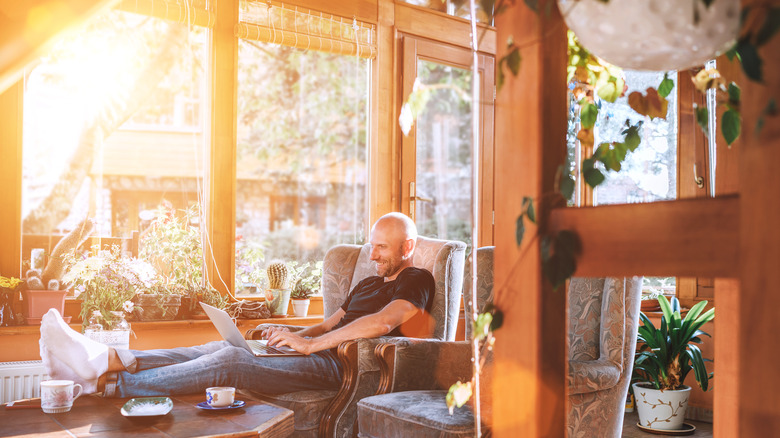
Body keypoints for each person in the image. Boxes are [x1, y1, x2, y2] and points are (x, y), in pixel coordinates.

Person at [39, 212, 435, 397]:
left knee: (234, 365)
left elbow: (385, 322)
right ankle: (106, 359)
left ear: (408, 247)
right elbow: (330, 322)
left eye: (382, 247)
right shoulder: (368, 281)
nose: (374, 253)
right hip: (320, 352)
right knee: (223, 348)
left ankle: (108, 386)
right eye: (373, 244)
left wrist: (311, 346)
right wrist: (292, 334)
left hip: (343, 367)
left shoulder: (417, 279)